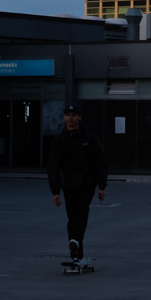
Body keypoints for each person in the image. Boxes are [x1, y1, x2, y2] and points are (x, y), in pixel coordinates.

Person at [46, 105, 107, 264]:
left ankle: (75, 241)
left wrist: (101, 186)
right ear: (64, 118)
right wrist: (55, 191)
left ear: (79, 117)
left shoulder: (89, 138)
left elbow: (100, 161)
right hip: (69, 185)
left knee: (81, 213)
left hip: (87, 184)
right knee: (73, 217)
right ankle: (76, 250)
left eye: (73, 115)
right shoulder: (59, 140)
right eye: (67, 115)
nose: (70, 118)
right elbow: (53, 167)